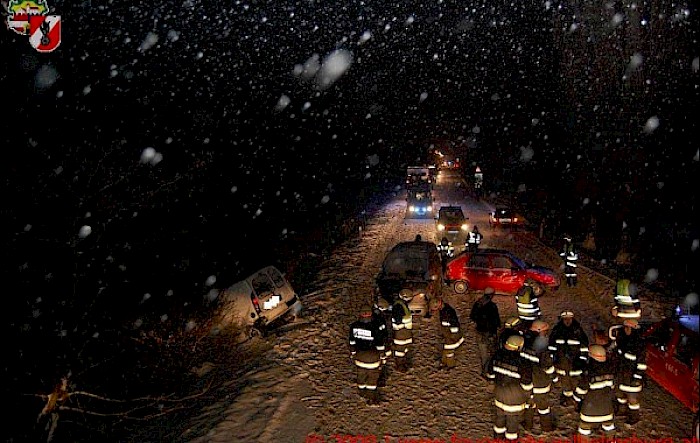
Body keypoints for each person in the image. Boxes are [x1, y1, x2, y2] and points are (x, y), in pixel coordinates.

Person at [487, 334, 533, 442]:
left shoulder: (497, 356)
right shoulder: (522, 362)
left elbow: (490, 375)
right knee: (512, 421)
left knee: (500, 417)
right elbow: (527, 384)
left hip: (499, 394)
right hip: (514, 398)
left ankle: (498, 438)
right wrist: (529, 397)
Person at [573, 344, 617, 439]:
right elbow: (614, 389)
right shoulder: (611, 371)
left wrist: (576, 399)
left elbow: (580, 391)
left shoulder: (588, 372)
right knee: (610, 430)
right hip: (607, 411)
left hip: (588, 412)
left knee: (584, 432)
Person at [521, 320, 557, 433]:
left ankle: (527, 425)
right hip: (540, 383)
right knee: (543, 407)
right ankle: (546, 427)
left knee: (529, 404)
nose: (546, 333)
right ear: (539, 331)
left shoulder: (524, 342)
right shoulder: (542, 347)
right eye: (545, 331)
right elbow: (548, 366)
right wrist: (554, 378)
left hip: (526, 381)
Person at [549, 310, 589, 407]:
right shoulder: (557, 331)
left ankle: (577, 400)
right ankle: (567, 397)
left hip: (575, 362)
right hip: (561, 362)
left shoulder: (578, 331)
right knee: (564, 381)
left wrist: (582, 361)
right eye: (565, 319)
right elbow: (551, 346)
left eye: (569, 319)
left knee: (575, 381)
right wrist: (553, 358)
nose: (567, 321)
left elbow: (584, 347)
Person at [348, 304, 386, 404]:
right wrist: (382, 356)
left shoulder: (354, 326)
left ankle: (361, 392)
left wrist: (353, 353)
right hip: (372, 357)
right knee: (372, 377)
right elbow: (379, 343)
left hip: (359, 356)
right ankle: (371, 397)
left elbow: (352, 342)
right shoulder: (375, 326)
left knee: (361, 375)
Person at [612, 318, 647, 425]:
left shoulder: (639, 344)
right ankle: (622, 410)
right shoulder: (621, 340)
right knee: (619, 394)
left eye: (628, 328)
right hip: (621, 375)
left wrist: (637, 378)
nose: (626, 330)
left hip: (632, 378)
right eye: (625, 327)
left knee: (633, 400)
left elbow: (641, 364)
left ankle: (634, 417)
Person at [469, 287, 501, 378]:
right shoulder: (492, 306)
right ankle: (489, 371)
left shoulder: (477, 304)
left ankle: (484, 371)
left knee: (483, 354)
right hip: (489, 333)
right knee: (491, 353)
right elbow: (495, 321)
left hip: (479, 331)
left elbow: (472, 316)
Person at [429, 297, 464, 369]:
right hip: (448, 333)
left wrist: (453, 335)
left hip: (451, 334)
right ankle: (444, 362)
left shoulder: (448, 311)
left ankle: (450, 365)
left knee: (449, 351)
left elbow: (454, 324)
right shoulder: (443, 309)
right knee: (446, 349)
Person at [391, 292, 414, 372]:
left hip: (405, 333)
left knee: (405, 350)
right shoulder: (398, 307)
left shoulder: (402, 305)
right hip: (401, 334)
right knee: (400, 352)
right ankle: (400, 366)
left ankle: (404, 364)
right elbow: (398, 321)